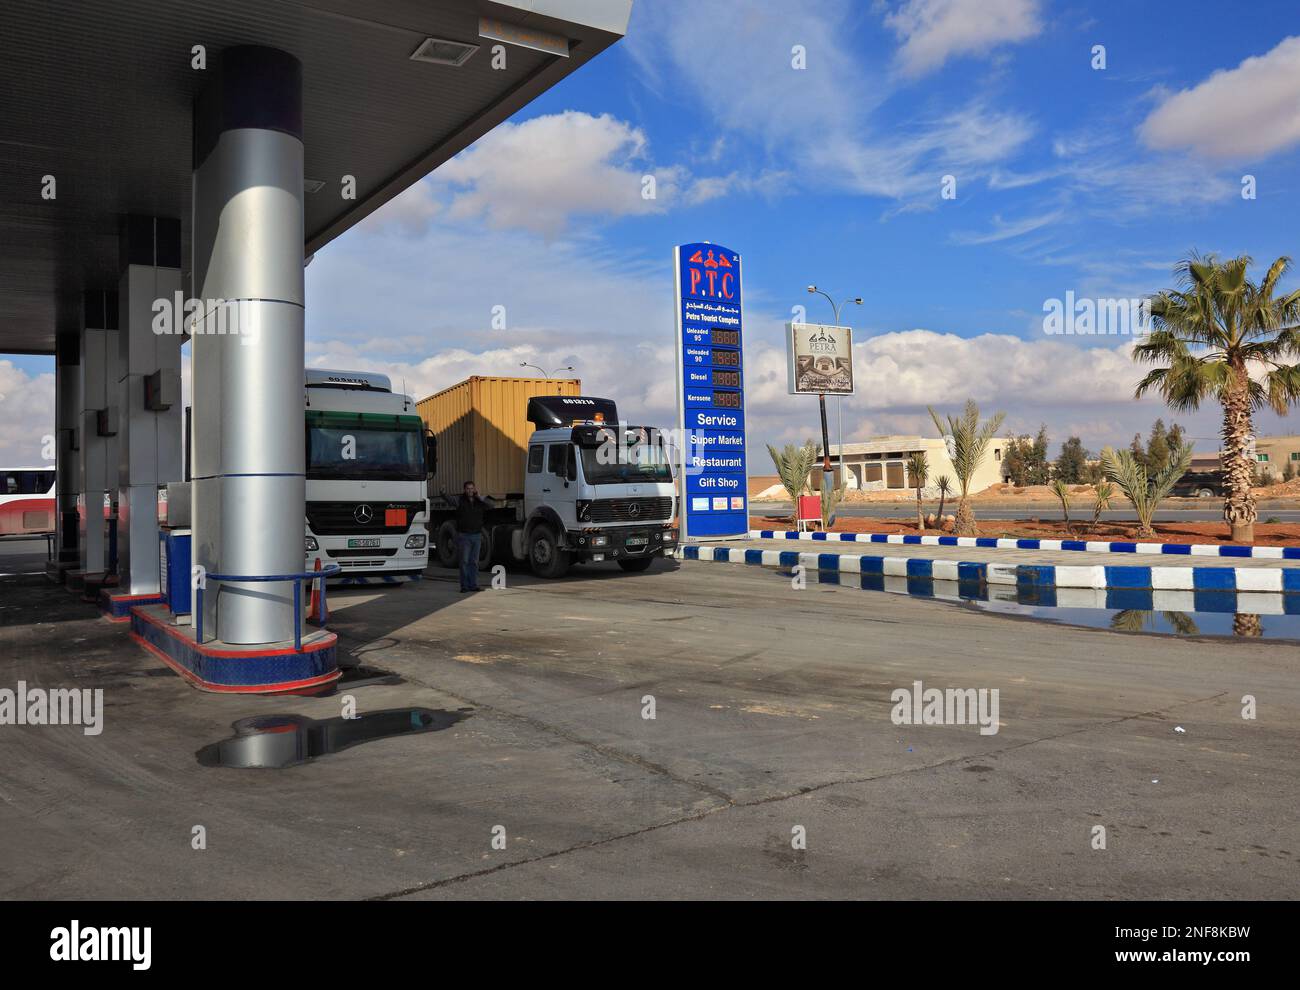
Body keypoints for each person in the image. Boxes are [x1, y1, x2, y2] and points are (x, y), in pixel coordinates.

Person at [455, 481, 492, 593]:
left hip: (476, 535)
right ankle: (464, 586)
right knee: (464, 562)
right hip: (464, 536)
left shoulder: (478, 501)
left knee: (474, 562)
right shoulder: (460, 500)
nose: (470, 490)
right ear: (464, 490)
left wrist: (480, 498)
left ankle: (474, 585)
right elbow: (450, 500)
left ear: (474, 489)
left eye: (472, 488)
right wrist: (443, 493)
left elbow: (490, 506)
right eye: (468, 488)